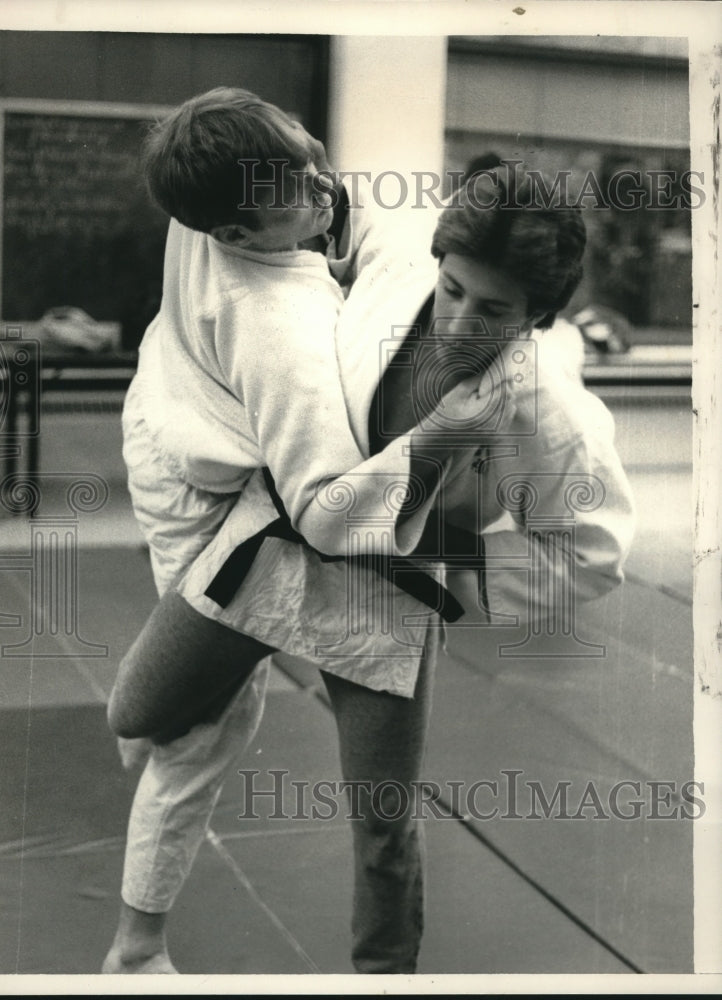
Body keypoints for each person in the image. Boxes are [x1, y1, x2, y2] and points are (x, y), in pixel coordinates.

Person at [105, 161, 635, 974]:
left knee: (382, 820)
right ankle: (288, 668)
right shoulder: (392, 251)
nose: (461, 321)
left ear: (541, 317)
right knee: (135, 713)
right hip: (274, 539)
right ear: (438, 258)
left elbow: (592, 555)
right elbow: (309, 221)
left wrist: (444, 566)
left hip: (386, 594)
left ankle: (384, 980)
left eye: (493, 310)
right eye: (454, 288)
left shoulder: (546, 408)